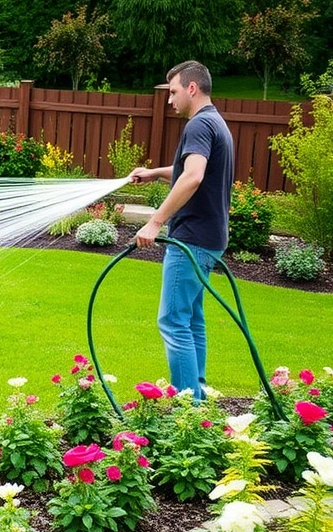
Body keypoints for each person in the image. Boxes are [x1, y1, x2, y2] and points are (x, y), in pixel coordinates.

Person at [128, 60, 234, 401]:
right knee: (191, 321)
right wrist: (155, 172)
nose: (169, 99)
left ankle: (188, 406)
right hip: (210, 238)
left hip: (191, 239)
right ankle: (197, 392)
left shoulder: (198, 126)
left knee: (173, 321)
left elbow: (194, 176)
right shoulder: (216, 122)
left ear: (191, 88)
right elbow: (188, 168)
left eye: (173, 92)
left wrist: (155, 221)